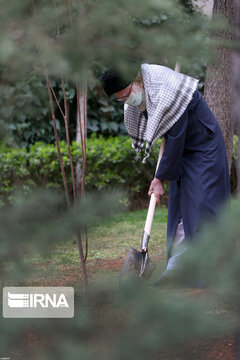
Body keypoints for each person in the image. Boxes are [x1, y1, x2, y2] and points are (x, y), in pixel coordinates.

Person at [99, 63, 230, 286]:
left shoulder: (165, 90)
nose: (126, 102)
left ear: (136, 82)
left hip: (203, 147)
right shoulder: (146, 90)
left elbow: (176, 138)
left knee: (201, 206)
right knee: (180, 208)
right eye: (121, 99)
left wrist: (159, 179)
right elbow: (171, 134)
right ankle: (176, 269)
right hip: (184, 149)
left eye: (126, 96)